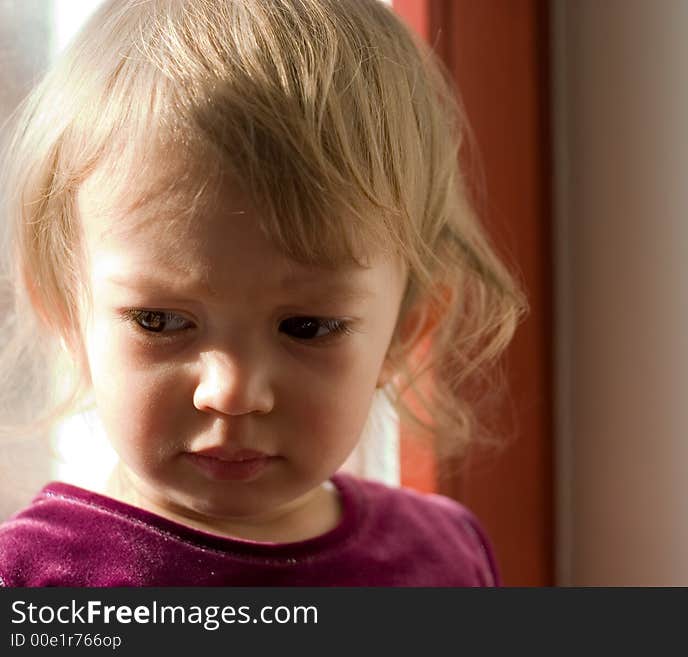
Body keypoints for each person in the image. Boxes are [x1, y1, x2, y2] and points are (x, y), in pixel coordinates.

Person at [0, 0, 525, 586]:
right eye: (159, 321)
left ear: (406, 332)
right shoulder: (35, 581)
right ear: (64, 311)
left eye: (306, 327)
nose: (232, 393)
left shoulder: (446, 556)